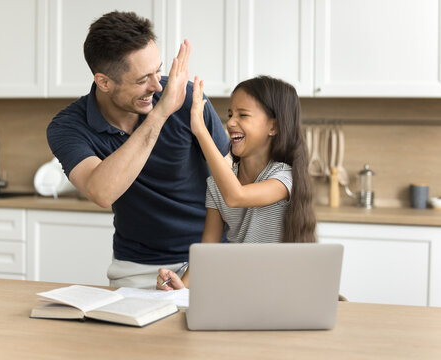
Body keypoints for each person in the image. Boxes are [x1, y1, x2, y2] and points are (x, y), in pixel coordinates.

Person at [46, 11, 229, 289]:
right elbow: (102, 192)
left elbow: (229, 181)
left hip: (210, 257)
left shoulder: (187, 96)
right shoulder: (68, 127)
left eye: (158, 70)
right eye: (143, 79)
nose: (157, 86)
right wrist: (161, 113)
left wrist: (199, 264)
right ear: (104, 82)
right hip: (138, 269)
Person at [157, 75, 317, 290]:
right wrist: (181, 288)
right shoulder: (217, 184)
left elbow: (236, 196)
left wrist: (200, 130)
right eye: (230, 114)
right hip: (239, 289)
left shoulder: (284, 177)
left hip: (282, 289)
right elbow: (208, 251)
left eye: (243, 115)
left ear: (274, 127)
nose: (231, 122)